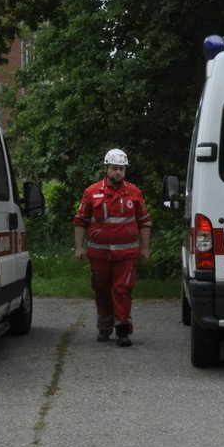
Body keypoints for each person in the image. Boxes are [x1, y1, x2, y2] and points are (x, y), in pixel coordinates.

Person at [74, 148, 152, 347]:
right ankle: (104, 325)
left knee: (122, 289)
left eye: (122, 169)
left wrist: (145, 248)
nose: (118, 172)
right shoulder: (91, 193)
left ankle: (123, 328)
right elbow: (80, 221)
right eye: (115, 168)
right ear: (106, 168)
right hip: (99, 254)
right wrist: (79, 247)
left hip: (126, 254)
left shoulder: (134, 192)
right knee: (101, 289)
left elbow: (144, 222)